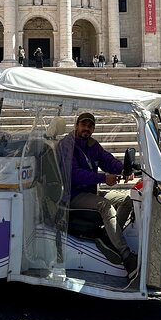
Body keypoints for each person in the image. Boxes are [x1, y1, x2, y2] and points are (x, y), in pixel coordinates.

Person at [59, 112, 138, 280]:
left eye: (90, 125)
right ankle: (126, 257)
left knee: (128, 199)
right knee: (105, 206)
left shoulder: (92, 144)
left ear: (93, 128)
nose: (86, 128)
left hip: (89, 192)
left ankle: (108, 238)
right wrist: (103, 178)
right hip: (72, 194)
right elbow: (74, 174)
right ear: (76, 125)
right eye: (83, 124)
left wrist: (123, 169)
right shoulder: (67, 144)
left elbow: (106, 159)